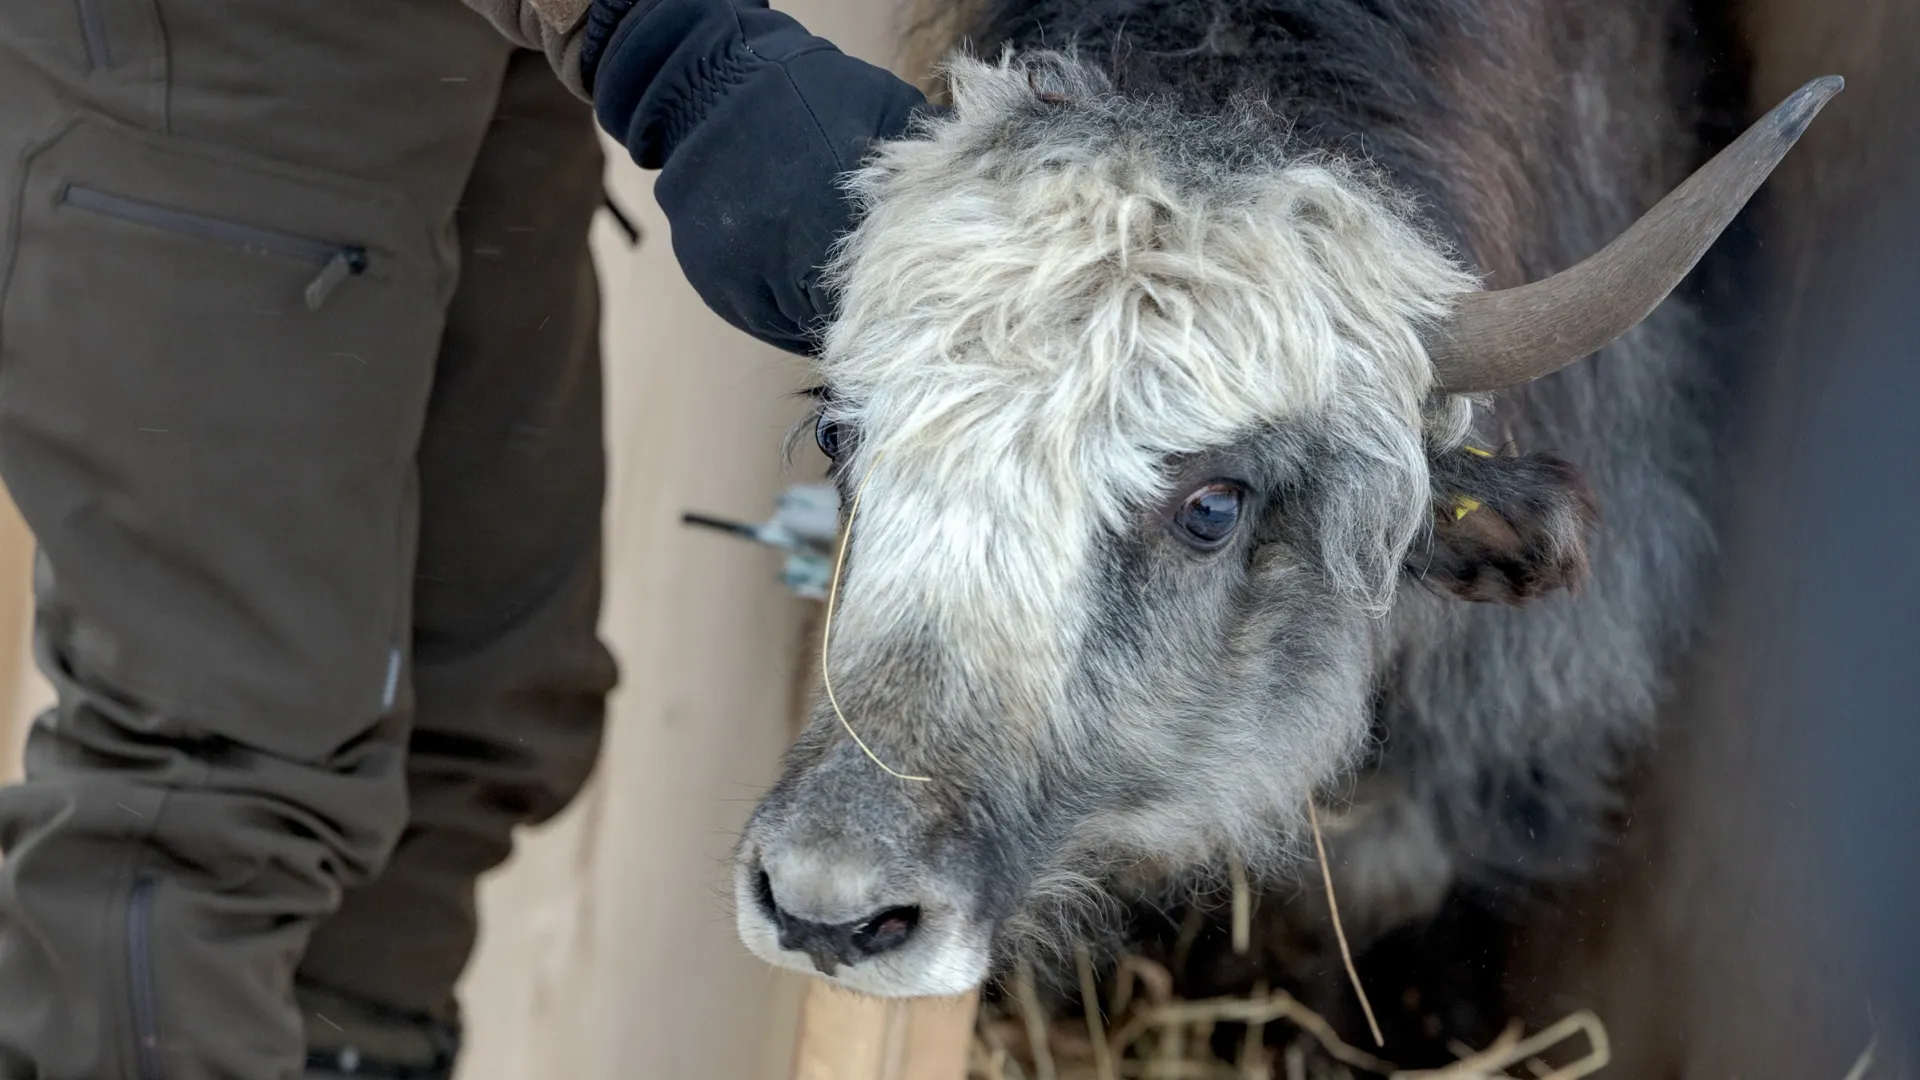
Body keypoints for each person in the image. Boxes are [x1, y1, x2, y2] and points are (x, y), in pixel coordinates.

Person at [0, 0, 930, 1076]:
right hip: (213, 42)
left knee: (478, 701)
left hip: (490, 43)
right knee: (205, 776)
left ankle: (348, 1049)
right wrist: (675, 40)